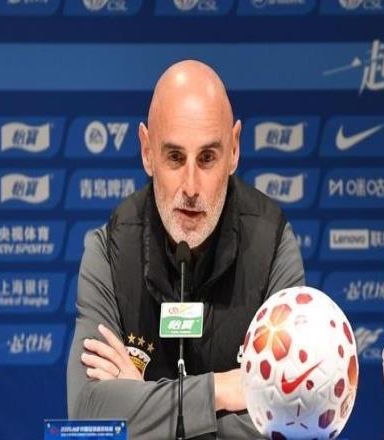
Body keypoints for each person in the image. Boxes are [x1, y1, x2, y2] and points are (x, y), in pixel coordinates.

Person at [67, 60, 305, 439]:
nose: (191, 187)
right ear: (147, 152)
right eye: (175, 158)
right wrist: (220, 390)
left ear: (234, 150)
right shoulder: (110, 252)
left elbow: (290, 414)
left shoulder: (272, 245)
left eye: (207, 158)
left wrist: (143, 403)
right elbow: (88, 415)